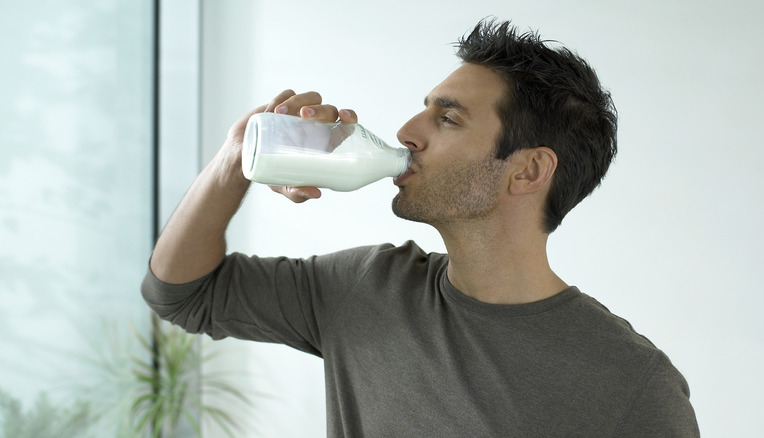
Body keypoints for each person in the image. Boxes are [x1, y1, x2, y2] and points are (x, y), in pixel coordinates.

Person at [142, 19, 699, 437]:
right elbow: (182, 292)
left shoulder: (632, 386)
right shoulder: (366, 286)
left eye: (448, 117)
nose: (408, 131)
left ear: (528, 170)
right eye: (423, 109)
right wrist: (236, 156)